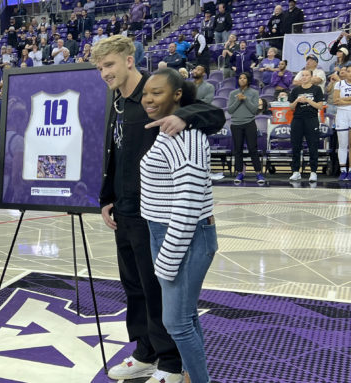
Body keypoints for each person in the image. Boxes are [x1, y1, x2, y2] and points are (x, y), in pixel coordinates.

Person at [91, 35, 225, 383]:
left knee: (155, 288)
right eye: (100, 67)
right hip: (124, 210)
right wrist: (107, 198)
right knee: (133, 286)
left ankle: (169, 362)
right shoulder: (117, 101)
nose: (104, 72)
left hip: (154, 214)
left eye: (109, 65)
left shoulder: (156, 96)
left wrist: (185, 116)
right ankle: (145, 352)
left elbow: (213, 114)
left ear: (129, 60)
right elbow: (116, 154)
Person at [139, 68, 217, 383]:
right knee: (185, 317)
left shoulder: (187, 137)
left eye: (156, 92)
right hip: (166, 232)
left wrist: (168, 258)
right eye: (145, 93)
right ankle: (190, 375)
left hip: (184, 237)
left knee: (176, 323)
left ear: (177, 95)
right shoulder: (169, 130)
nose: (148, 99)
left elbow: (189, 203)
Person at [227, 73, 265, 184]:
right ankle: (240, 172)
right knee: (238, 150)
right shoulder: (233, 93)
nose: (242, 80)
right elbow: (230, 110)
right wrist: (238, 100)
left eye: (244, 78)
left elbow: (254, 110)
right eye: (240, 78)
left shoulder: (254, 93)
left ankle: (258, 173)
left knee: (253, 149)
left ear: (248, 80)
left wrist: (245, 99)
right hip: (236, 124)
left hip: (249, 123)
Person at [288, 69, 325, 182]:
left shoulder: (317, 89)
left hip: (311, 119)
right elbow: (291, 107)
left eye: (306, 75)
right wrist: (297, 101)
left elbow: (319, 106)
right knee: (296, 146)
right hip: (297, 119)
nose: (304, 77)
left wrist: (308, 100)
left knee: (313, 145)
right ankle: (295, 171)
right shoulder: (295, 90)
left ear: (311, 77)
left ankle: (313, 171)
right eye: (302, 75)